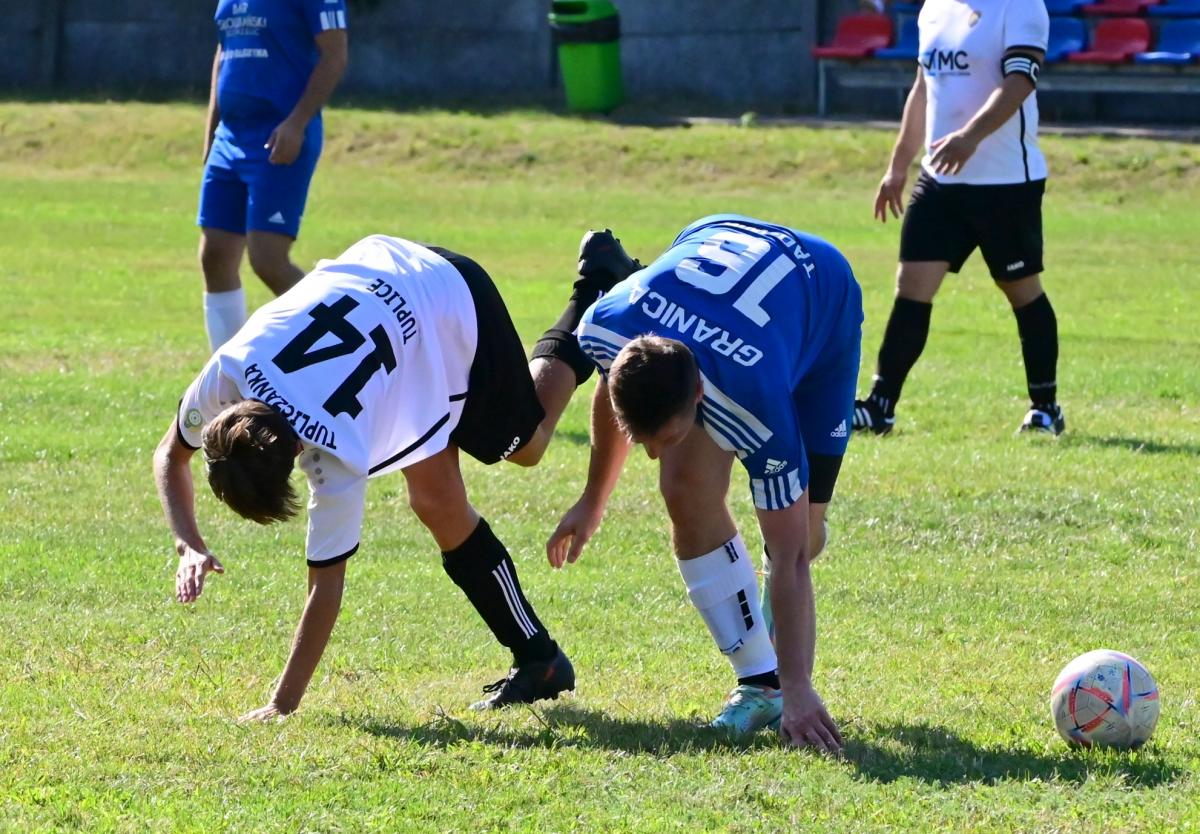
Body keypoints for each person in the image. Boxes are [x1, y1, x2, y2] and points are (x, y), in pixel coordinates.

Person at [154, 231, 632, 719]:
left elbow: (325, 589)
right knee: (436, 500)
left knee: (527, 447)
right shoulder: (229, 371)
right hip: (384, 276)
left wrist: (282, 704)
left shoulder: (336, 454)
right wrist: (188, 542)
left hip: (449, 301)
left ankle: (596, 290)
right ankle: (540, 661)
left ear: (297, 456)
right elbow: (172, 455)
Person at [539, 215, 862, 752]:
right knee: (683, 486)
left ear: (698, 397)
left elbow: (791, 558)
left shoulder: (757, 410)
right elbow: (611, 384)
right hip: (714, 243)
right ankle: (760, 680)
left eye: (663, 437)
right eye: (641, 440)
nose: (650, 453)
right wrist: (593, 499)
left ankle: (783, 681)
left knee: (801, 535)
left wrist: (801, 687)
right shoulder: (606, 323)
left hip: (821, 298)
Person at [853, 0, 1062, 436]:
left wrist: (970, 137)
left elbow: (1021, 80)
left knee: (1021, 291)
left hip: (1006, 183)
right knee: (911, 288)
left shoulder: (1020, 6)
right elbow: (923, 89)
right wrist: (898, 167)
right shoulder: (935, 7)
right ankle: (880, 406)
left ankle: (1046, 408)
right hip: (940, 181)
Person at [198, 0, 349, 352]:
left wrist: (297, 123)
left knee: (268, 259)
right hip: (230, 137)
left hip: (279, 136)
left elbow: (335, 54)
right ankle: (229, 375)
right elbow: (224, 52)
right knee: (215, 256)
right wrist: (211, 135)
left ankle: (345, 345)